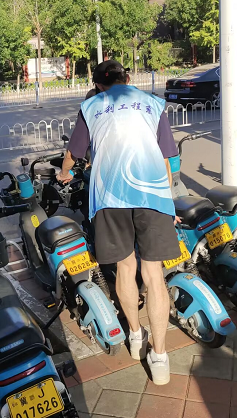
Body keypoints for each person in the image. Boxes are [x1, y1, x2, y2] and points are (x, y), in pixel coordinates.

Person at [57, 60, 180, 385]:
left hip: (110, 197)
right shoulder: (153, 104)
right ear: (127, 78)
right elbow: (167, 158)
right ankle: (160, 357)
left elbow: (73, 154)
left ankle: (136, 335)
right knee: (154, 275)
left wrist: (65, 172)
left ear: (98, 85)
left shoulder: (91, 106)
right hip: (153, 195)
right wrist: (167, 202)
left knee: (125, 267)